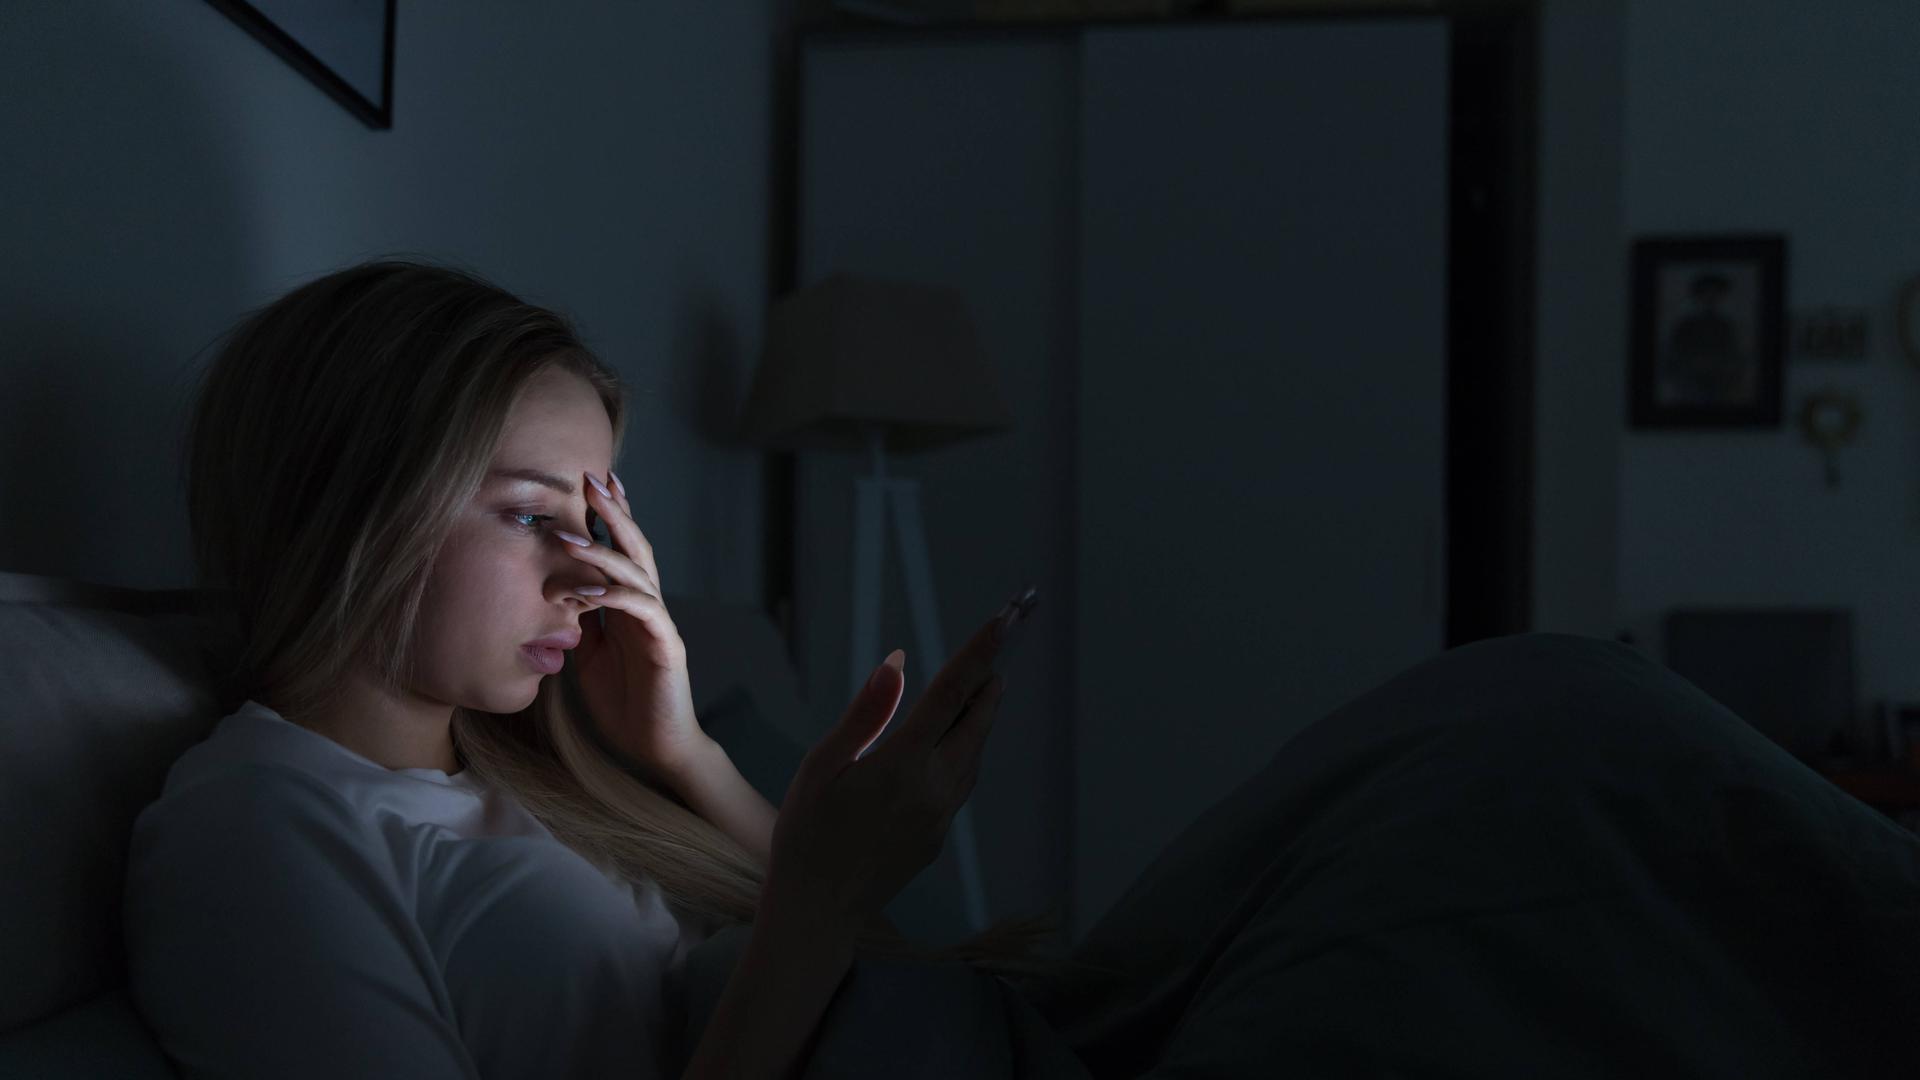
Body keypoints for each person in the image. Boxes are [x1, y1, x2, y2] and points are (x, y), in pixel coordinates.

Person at [124, 257, 1093, 1080]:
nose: (590, 573)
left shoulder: (536, 770)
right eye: (530, 515)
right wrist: (816, 912)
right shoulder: (253, 820)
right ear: (347, 504)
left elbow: (881, 957)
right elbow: (819, 936)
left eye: (593, 527)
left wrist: (684, 753)